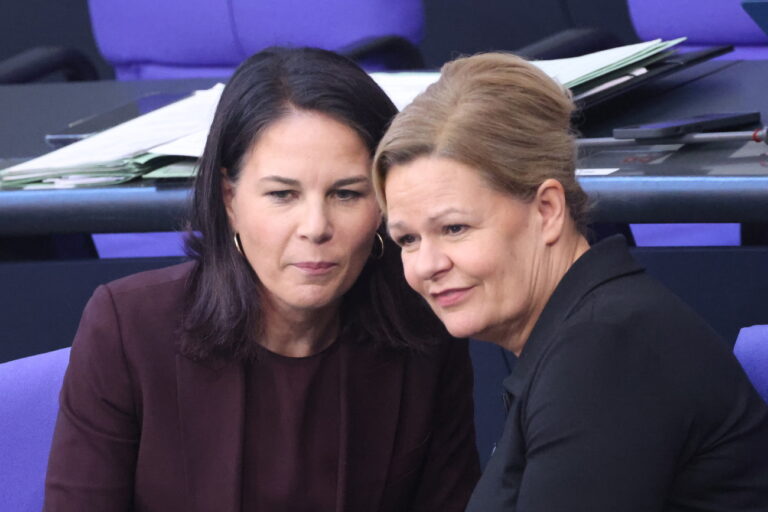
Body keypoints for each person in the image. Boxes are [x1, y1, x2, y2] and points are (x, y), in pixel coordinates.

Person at [44, 47, 480, 511]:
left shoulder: (424, 330)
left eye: (347, 193)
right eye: (282, 194)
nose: (316, 227)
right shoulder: (128, 329)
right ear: (230, 198)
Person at [372, 52, 768, 511]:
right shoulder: (585, 335)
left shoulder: (609, 352)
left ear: (547, 211)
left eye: (455, 228)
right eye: (407, 239)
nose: (426, 265)